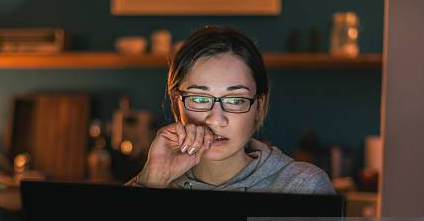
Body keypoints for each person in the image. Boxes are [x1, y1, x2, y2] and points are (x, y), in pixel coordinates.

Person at [126, 26, 334, 194]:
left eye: (235, 100)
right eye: (199, 98)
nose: (216, 119)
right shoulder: (152, 183)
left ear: (259, 108)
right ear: (175, 103)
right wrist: (150, 182)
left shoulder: (303, 187)